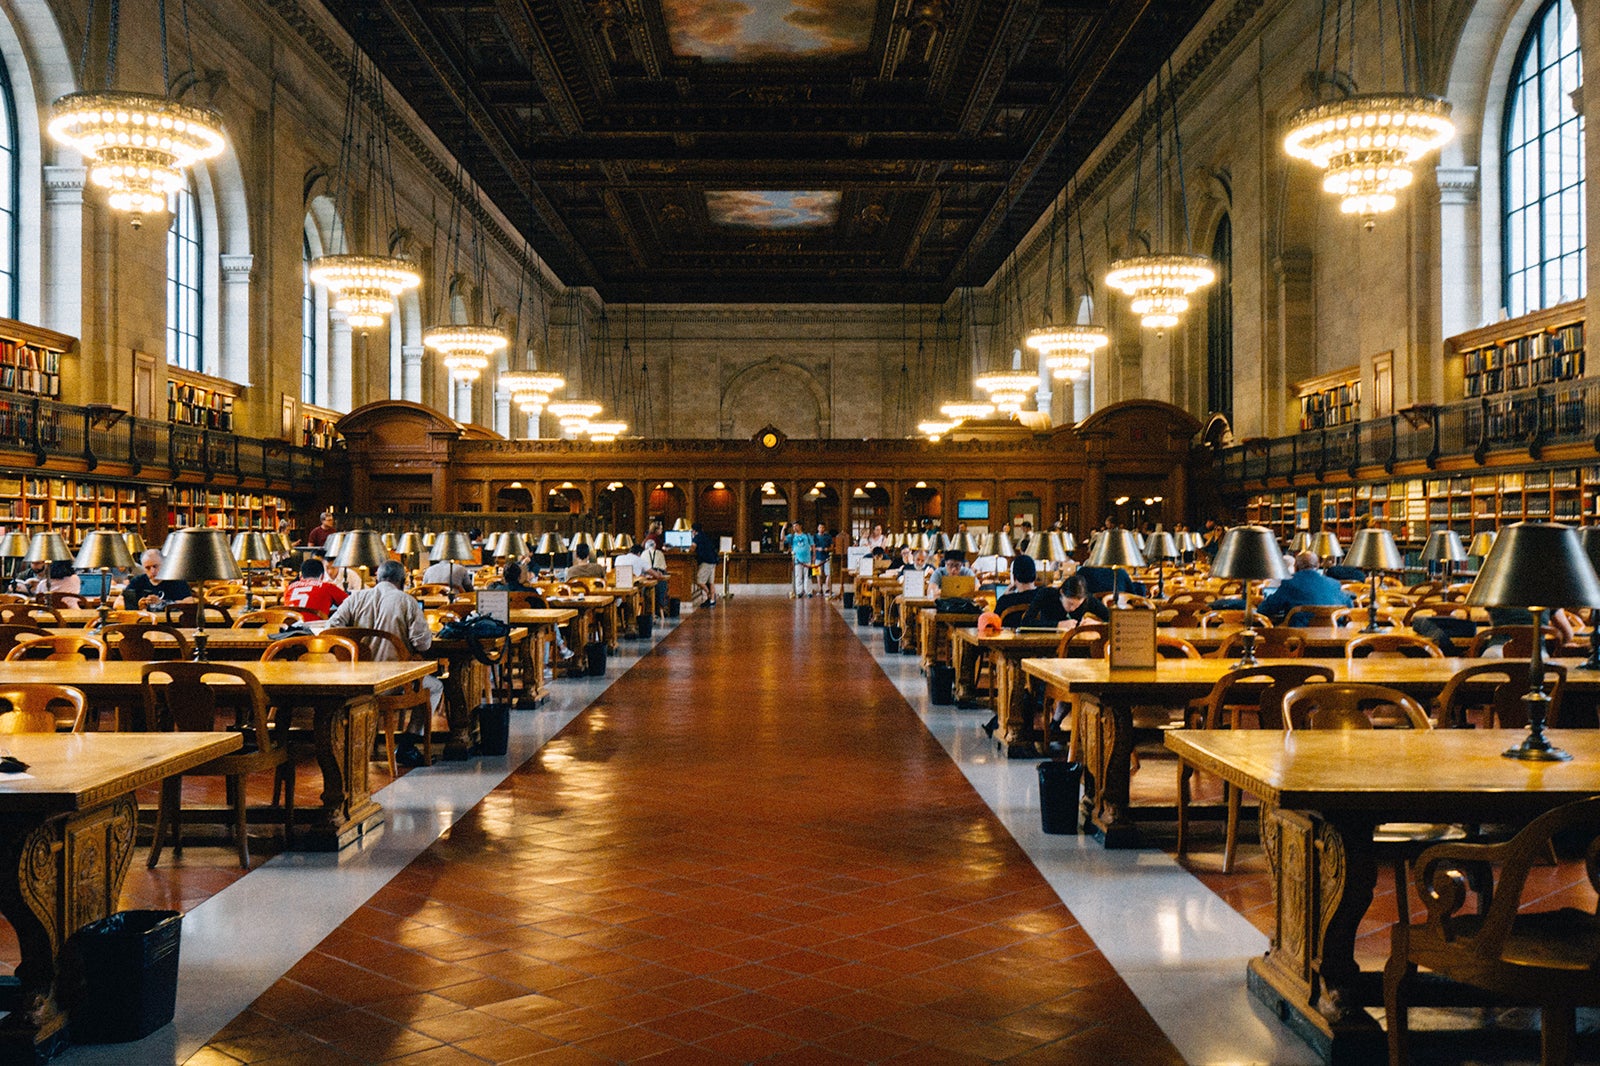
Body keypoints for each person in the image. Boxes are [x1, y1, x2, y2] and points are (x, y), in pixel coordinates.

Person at [326, 560, 442, 767]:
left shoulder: (356, 598)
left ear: (377, 578)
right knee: (436, 686)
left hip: (356, 681)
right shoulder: (406, 601)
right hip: (395, 684)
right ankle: (408, 744)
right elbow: (422, 643)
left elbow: (331, 629)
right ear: (403, 581)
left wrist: (349, 656)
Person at [1256, 551, 1353, 624]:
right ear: (1318, 565)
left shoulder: (1290, 583)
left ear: (1296, 567)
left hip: (1299, 637)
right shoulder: (1334, 584)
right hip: (1333, 635)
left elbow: (1265, 610)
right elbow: (1350, 607)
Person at [1020, 574, 1111, 629]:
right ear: (1061, 592)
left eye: (1077, 605)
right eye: (1070, 603)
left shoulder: (1087, 600)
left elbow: (1114, 620)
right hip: (1048, 643)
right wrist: (1058, 625)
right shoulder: (1046, 594)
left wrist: (1098, 624)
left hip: (1077, 646)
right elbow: (1026, 622)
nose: (1073, 609)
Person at [122, 549, 195, 609]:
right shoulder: (137, 581)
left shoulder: (176, 580)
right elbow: (118, 603)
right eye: (147, 568)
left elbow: (190, 602)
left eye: (155, 566)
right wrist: (136, 606)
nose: (152, 571)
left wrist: (162, 603)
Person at [282, 557, 349, 620]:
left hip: (289, 628)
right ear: (322, 576)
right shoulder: (328, 587)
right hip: (315, 629)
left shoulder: (289, 588)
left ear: (301, 576)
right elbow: (351, 604)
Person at [692, 522, 720, 607]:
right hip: (713, 561)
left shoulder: (697, 537)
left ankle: (709, 595)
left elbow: (693, 547)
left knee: (700, 581)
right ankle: (712, 600)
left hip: (706, 561)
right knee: (710, 582)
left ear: (694, 530)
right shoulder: (705, 536)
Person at [784, 522, 814, 598]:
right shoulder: (792, 536)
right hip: (797, 560)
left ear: (800, 526)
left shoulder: (807, 535)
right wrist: (783, 529)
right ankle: (799, 591)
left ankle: (808, 592)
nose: (795, 528)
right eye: (793, 526)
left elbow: (813, 546)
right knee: (798, 576)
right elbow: (782, 538)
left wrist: (814, 556)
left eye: (796, 526)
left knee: (807, 576)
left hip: (807, 559)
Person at [814, 524, 834, 597]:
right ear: (817, 528)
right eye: (820, 527)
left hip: (827, 557)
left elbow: (832, 547)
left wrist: (827, 549)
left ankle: (827, 588)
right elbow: (812, 547)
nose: (821, 529)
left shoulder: (828, 537)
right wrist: (817, 549)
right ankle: (820, 589)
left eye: (822, 527)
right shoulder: (815, 537)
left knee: (828, 573)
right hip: (818, 557)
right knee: (818, 574)